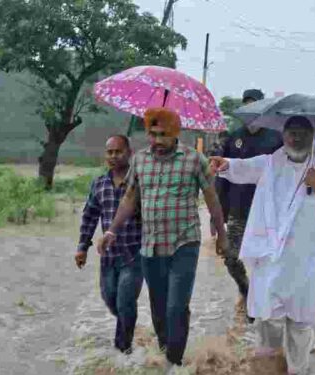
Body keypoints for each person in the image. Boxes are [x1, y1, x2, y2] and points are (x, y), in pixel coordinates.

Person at [209, 116, 315, 374]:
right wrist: (224, 164)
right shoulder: (270, 163)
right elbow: (241, 168)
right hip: (271, 260)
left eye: (302, 133)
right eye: (291, 133)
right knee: (268, 323)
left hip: (306, 263)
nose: (296, 138)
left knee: (300, 327)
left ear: (312, 136)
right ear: (283, 135)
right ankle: (269, 369)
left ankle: (298, 370)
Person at [99, 108, 228, 373]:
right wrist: (111, 230)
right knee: (158, 310)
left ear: (176, 134)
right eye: (152, 134)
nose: (157, 140)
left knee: (176, 307)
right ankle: (166, 350)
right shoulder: (141, 160)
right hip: (151, 245)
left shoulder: (194, 159)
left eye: (163, 135)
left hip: (184, 243)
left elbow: (212, 198)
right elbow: (130, 198)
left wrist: (222, 234)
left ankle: (174, 364)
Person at [211, 88, 284, 322]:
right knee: (231, 257)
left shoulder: (277, 138)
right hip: (238, 209)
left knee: (264, 260)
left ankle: (262, 303)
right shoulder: (233, 137)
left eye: (256, 105)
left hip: (267, 212)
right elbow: (222, 176)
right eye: (247, 106)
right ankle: (246, 290)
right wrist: (217, 216)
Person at [76, 135, 143, 355]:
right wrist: (82, 247)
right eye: (109, 152)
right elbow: (90, 216)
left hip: (134, 255)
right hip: (108, 257)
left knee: (124, 300)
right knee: (110, 299)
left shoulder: (139, 182)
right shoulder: (99, 184)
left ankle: (123, 350)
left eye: (118, 151)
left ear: (129, 153)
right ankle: (128, 326)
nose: (113, 156)